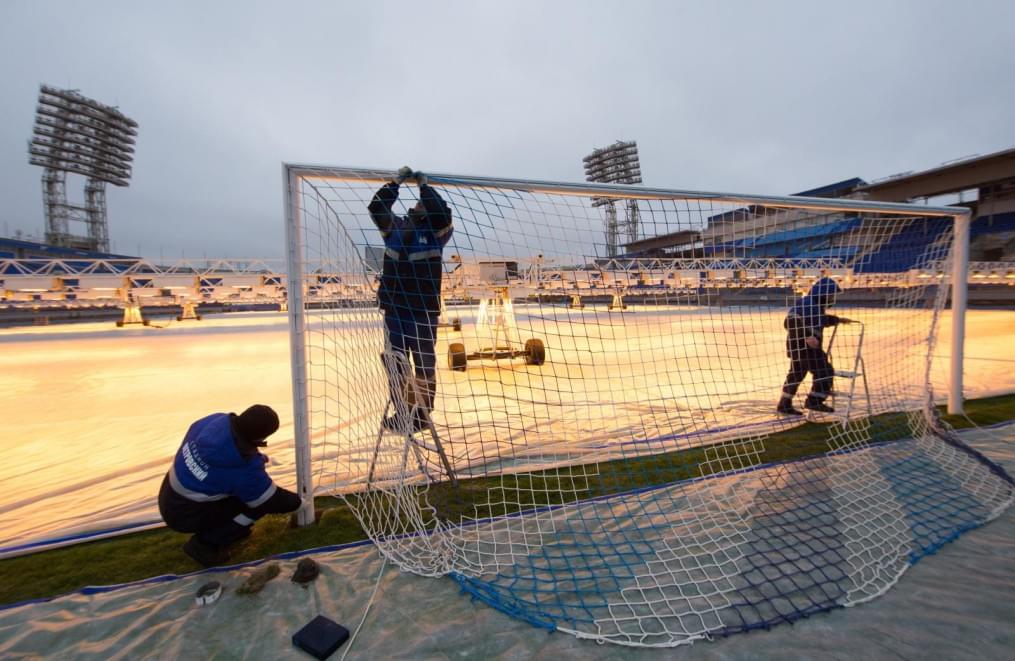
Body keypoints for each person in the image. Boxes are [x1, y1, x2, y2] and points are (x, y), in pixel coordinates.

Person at [158, 404, 302, 566]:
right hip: (183, 514)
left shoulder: (213, 421)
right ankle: (206, 544)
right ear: (260, 438)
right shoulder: (242, 465)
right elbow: (269, 499)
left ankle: (220, 529)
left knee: (241, 491)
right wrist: (301, 503)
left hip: (169, 491)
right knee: (255, 505)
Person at [368, 166, 453, 432]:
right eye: (419, 201)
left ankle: (421, 414)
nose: (419, 204)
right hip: (394, 309)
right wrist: (395, 183)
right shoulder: (396, 229)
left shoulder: (439, 232)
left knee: (423, 363)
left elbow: (441, 212)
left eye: (423, 202)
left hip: (422, 312)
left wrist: (424, 187)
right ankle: (404, 411)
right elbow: (377, 208)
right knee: (395, 361)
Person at [777, 277, 854, 415]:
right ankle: (815, 401)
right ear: (823, 294)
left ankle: (784, 403)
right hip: (806, 349)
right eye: (831, 296)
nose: (832, 299)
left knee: (796, 374)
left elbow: (819, 320)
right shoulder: (808, 303)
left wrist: (837, 320)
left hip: (798, 348)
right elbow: (789, 322)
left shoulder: (814, 306)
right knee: (825, 371)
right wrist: (807, 336)